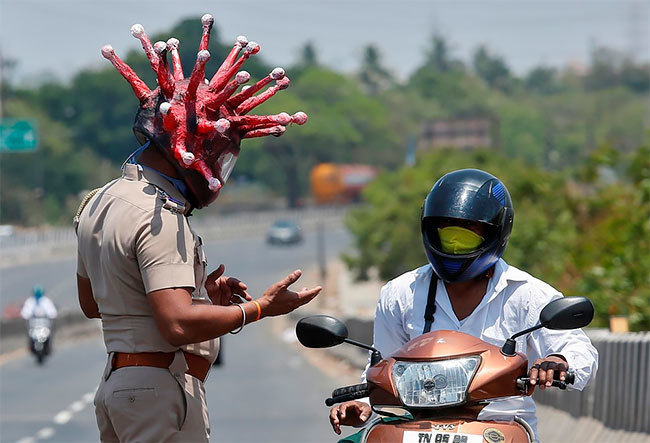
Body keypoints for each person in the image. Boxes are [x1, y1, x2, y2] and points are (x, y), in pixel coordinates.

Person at [75, 16, 318, 442]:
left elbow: (93, 303)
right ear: (193, 149)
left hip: (117, 387)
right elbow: (178, 325)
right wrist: (260, 307)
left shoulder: (98, 201)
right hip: (154, 391)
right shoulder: (160, 215)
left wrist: (198, 294)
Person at [329, 168, 598, 440]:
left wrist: (558, 361)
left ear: (496, 231)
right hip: (415, 430)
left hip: (499, 430)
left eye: (470, 231)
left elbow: (579, 351)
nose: (456, 242)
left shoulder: (528, 294)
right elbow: (383, 366)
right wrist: (362, 404)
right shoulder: (400, 293)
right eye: (447, 231)